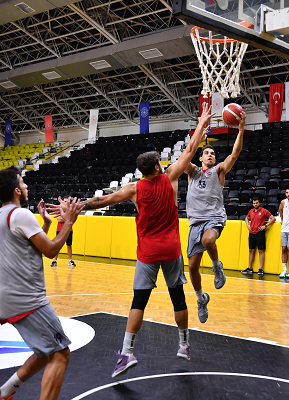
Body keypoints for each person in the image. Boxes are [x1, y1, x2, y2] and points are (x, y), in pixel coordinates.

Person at [50, 103, 213, 378]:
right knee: (178, 298)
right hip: (171, 250)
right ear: (158, 166)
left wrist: (77, 207)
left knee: (139, 302)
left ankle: (127, 353)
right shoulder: (170, 176)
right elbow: (190, 149)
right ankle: (183, 345)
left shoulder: (134, 189)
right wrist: (201, 124)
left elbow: (102, 200)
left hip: (147, 253)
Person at [0, 167, 81, 400]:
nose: (27, 187)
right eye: (23, 184)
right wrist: (69, 222)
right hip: (26, 298)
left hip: (7, 298)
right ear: (17, 190)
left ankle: (2, 394)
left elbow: (28, 247)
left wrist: (45, 225)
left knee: (46, 350)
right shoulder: (20, 214)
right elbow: (50, 250)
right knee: (60, 353)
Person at [184, 109, 246, 324]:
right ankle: (201, 298)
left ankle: (217, 266)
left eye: (213, 153)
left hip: (214, 218)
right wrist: (197, 138)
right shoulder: (192, 171)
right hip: (195, 223)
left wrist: (240, 128)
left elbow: (234, 154)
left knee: (208, 240)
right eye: (207, 153)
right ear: (200, 157)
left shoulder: (219, 171)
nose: (211, 155)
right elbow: (184, 158)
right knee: (191, 267)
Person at [240, 198, 276, 276]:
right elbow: (246, 218)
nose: (255, 204)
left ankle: (261, 269)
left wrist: (265, 226)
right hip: (252, 233)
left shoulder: (264, 211)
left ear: (259, 203)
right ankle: (250, 268)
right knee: (251, 250)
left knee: (261, 251)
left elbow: (273, 219)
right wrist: (247, 225)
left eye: (256, 203)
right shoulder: (251, 211)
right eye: (254, 203)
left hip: (260, 232)